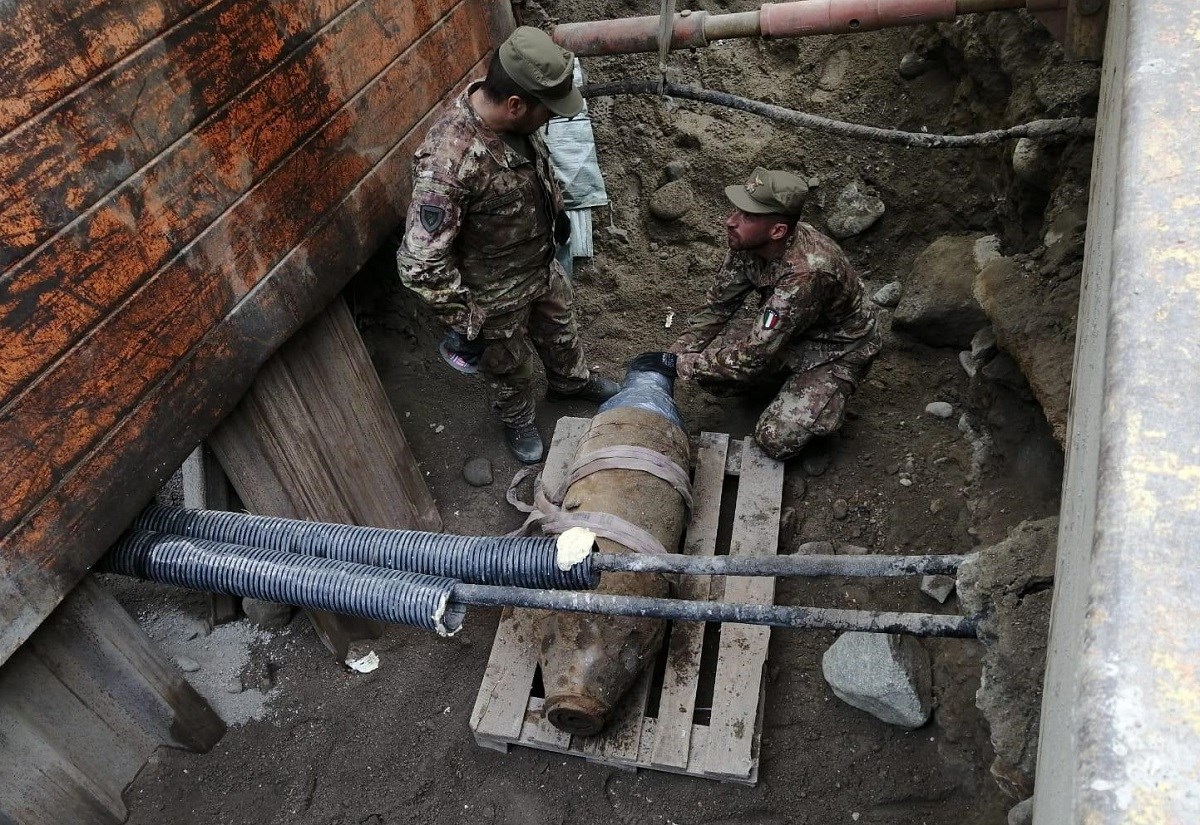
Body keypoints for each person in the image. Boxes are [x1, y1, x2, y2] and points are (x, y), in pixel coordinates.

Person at [396, 26, 618, 464]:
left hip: (539, 264)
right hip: (493, 294)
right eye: (548, 110)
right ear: (516, 105)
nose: (553, 117)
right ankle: (518, 418)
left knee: (561, 332)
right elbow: (418, 263)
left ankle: (569, 382)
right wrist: (468, 317)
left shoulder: (513, 117)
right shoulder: (450, 162)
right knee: (508, 367)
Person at [633, 167, 882, 461]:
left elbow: (751, 357)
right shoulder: (747, 244)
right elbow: (716, 309)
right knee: (715, 378)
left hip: (838, 347)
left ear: (777, 231)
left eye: (747, 216)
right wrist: (674, 356)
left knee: (775, 439)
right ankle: (781, 381)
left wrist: (683, 366)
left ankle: (825, 396)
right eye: (736, 210)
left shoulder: (806, 273)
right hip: (792, 332)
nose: (730, 221)